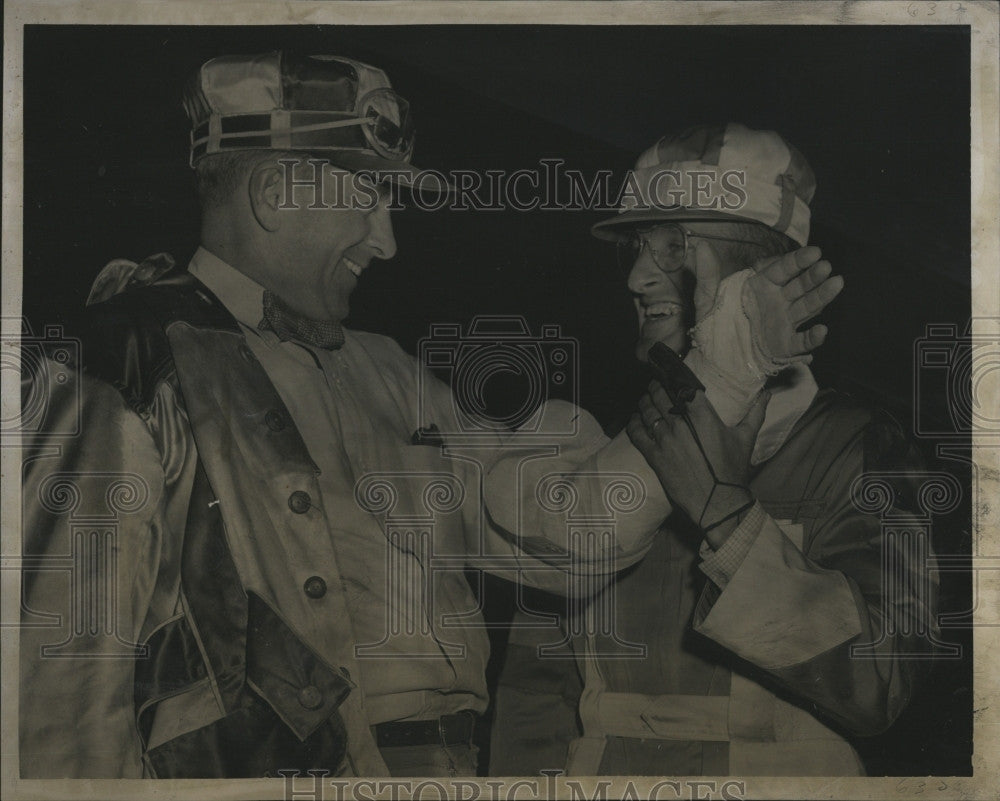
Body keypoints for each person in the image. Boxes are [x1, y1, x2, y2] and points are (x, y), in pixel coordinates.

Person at [18, 54, 840, 779]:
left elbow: (577, 532)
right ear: (273, 193)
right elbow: (59, 698)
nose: (388, 242)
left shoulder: (391, 373)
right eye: (370, 199)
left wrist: (724, 374)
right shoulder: (121, 362)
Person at [489, 123, 936, 777]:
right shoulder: (603, 453)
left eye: (675, 247)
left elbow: (882, 682)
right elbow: (536, 693)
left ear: (765, 270)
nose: (639, 276)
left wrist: (728, 518)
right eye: (637, 250)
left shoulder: (860, 444)